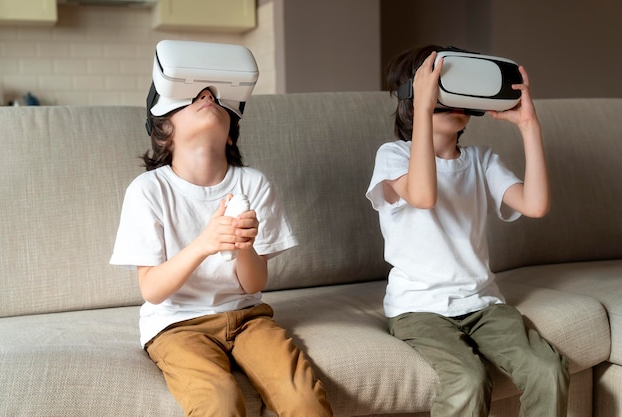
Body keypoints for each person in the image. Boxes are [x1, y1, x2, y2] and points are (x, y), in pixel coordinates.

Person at [365, 45, 570, 416]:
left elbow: (536, 205)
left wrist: (529, 126)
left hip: (483, 303)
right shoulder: (392, 156)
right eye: (444, 88)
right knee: (467, 378)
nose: (455, 101)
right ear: (412, 96)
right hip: (419, 308)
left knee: (547, 367)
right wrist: (425, 107)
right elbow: (424, 195)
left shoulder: (482, 160)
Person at [110, 86, 332, 417]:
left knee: (304, 398)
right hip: (177, 325)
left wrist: (244, 246)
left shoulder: (253, 185)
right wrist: (204, 243)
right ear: (163, 133)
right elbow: (152, 290)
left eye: (215, 97)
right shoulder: (148, 191)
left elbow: (254, 284)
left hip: (248, 319)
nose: (208, 97)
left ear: (230, 136)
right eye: (193, 96)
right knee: (218, 401)